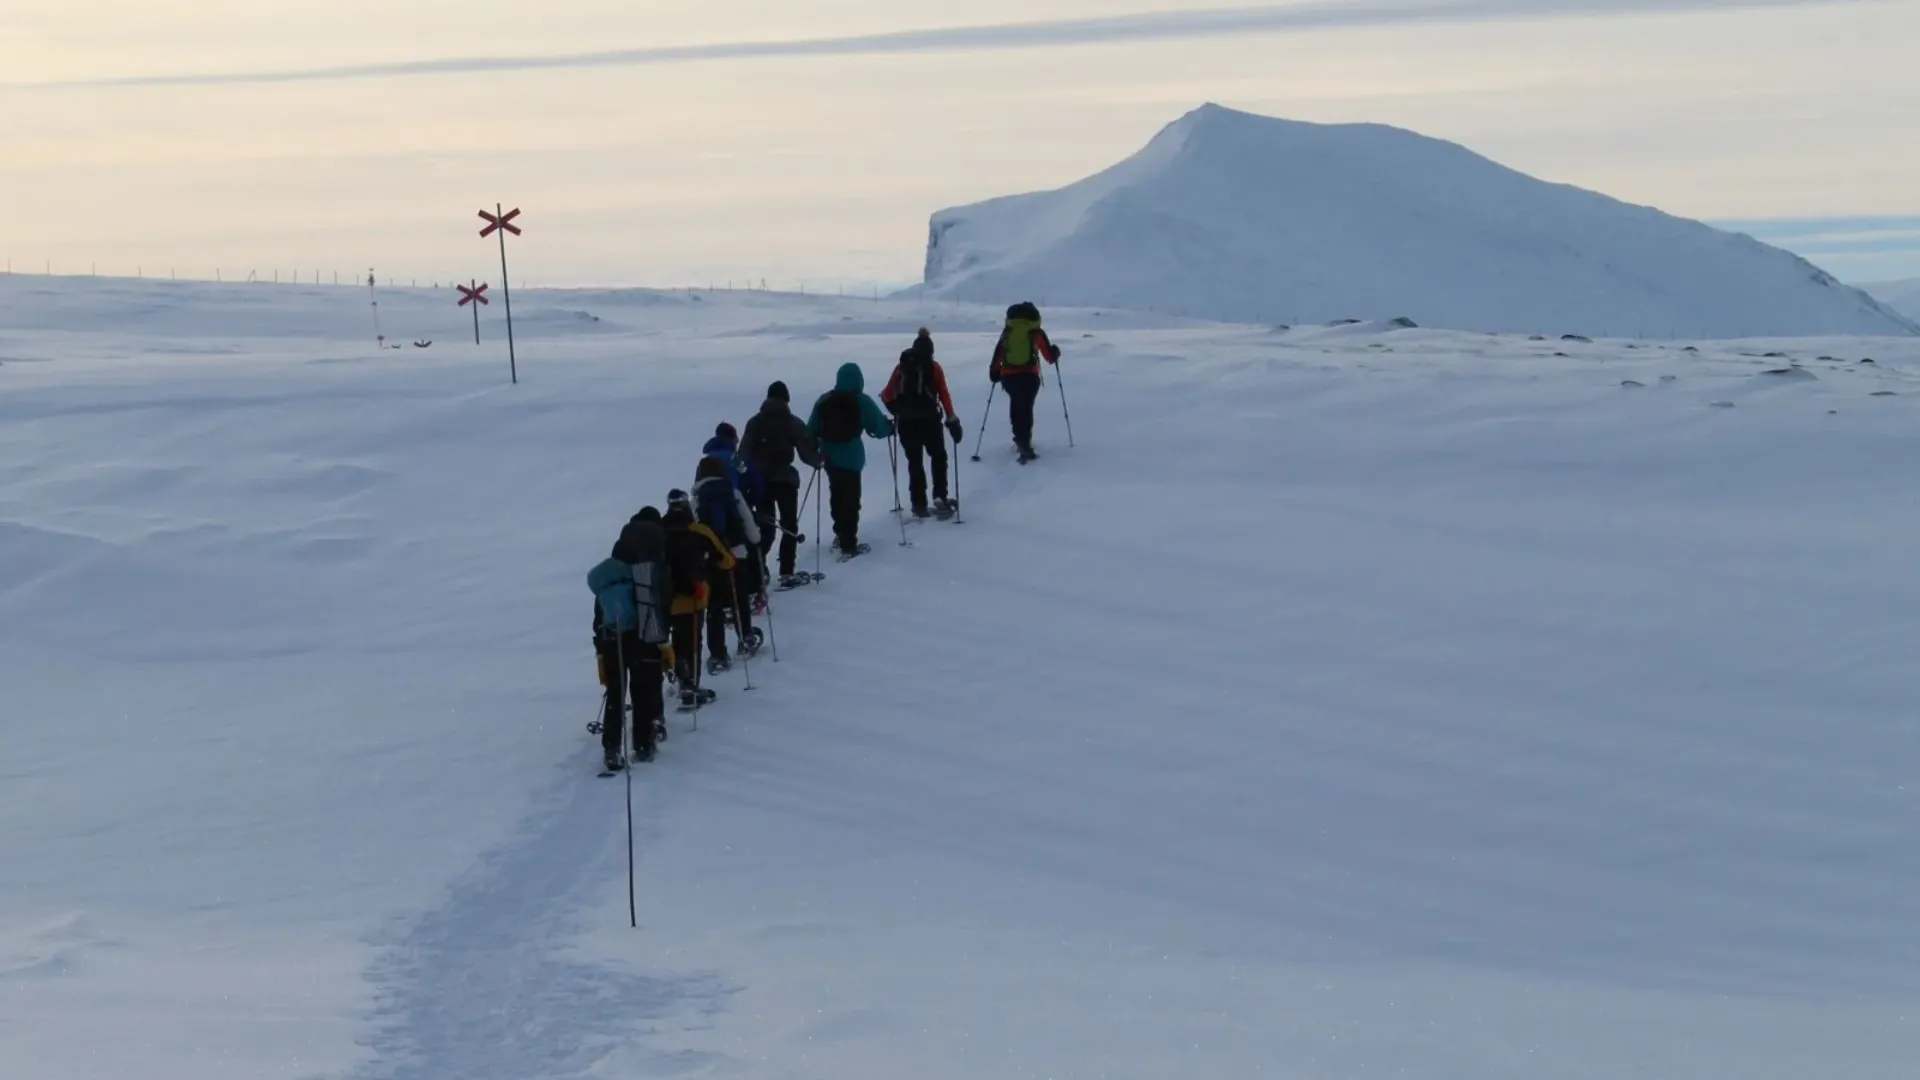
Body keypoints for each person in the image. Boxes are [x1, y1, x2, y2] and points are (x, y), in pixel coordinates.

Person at [588, 508, 672, 770]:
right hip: (642, 639)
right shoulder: (649, 571)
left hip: (612, 639)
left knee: (615, 694)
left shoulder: (609, 577)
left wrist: (600, 645)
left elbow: (598, 614)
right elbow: (660, 606)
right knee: (642, 691)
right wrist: (662, 640)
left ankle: (611, 749)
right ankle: (643, 745)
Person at [806, 362, 895, 559]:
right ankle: (849, 542)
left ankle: (840, 533)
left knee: (837, 495)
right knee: (851, 499)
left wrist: (813, 452)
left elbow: (810, 429)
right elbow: (878, 426)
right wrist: (890, 429)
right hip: (852, 458)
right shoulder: (861, 401)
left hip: (829, 457)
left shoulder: (824, 400)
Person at [742, 380, 823, 587]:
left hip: (760, 483)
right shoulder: (791, 422)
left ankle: (757, 570)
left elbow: (743, 455)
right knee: (789, 526)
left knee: (765, 527)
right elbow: (806, 451)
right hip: (785, 480)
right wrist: (818, 460)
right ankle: (786, 572)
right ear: (786, 399)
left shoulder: (755, 422)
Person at [880, 328, 964, 519]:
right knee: (938, 456)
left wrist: (897, 411)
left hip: (906, 423)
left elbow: (886, 394)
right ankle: (940, 496)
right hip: (930, 420)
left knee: (914, 462)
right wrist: (952, 419)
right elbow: (944, 394)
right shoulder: (934, 368)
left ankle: (918, 504)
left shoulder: (901, 368)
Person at [662, 489, 733, 709]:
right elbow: (726, 560)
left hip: (666, 597)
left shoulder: (658, 532)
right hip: (695, 595)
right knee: (692, 641)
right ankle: (690, 686)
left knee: (676, 638)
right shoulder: (700, 531)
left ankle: (679, 673)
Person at [692, 455, 762, 669]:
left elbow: (696, 529)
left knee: (714, 606)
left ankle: (718, 654)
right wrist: (754, 540)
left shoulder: (696, 499)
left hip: (712, 558)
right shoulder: (733, 492)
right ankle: (746, 637)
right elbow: (749, 525)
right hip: (738, 553)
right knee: (739, 598)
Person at [989, 301, 1061, 463]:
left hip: (1009, 376)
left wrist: (994, 371)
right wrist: (1055, 352)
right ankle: (1025, 441)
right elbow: (1049, 357)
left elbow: (999, 352)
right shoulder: (1035, 332)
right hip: (1029, 375)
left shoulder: (1008, 331)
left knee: (1016, 403)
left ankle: (1018, 437)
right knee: (1026, 407)